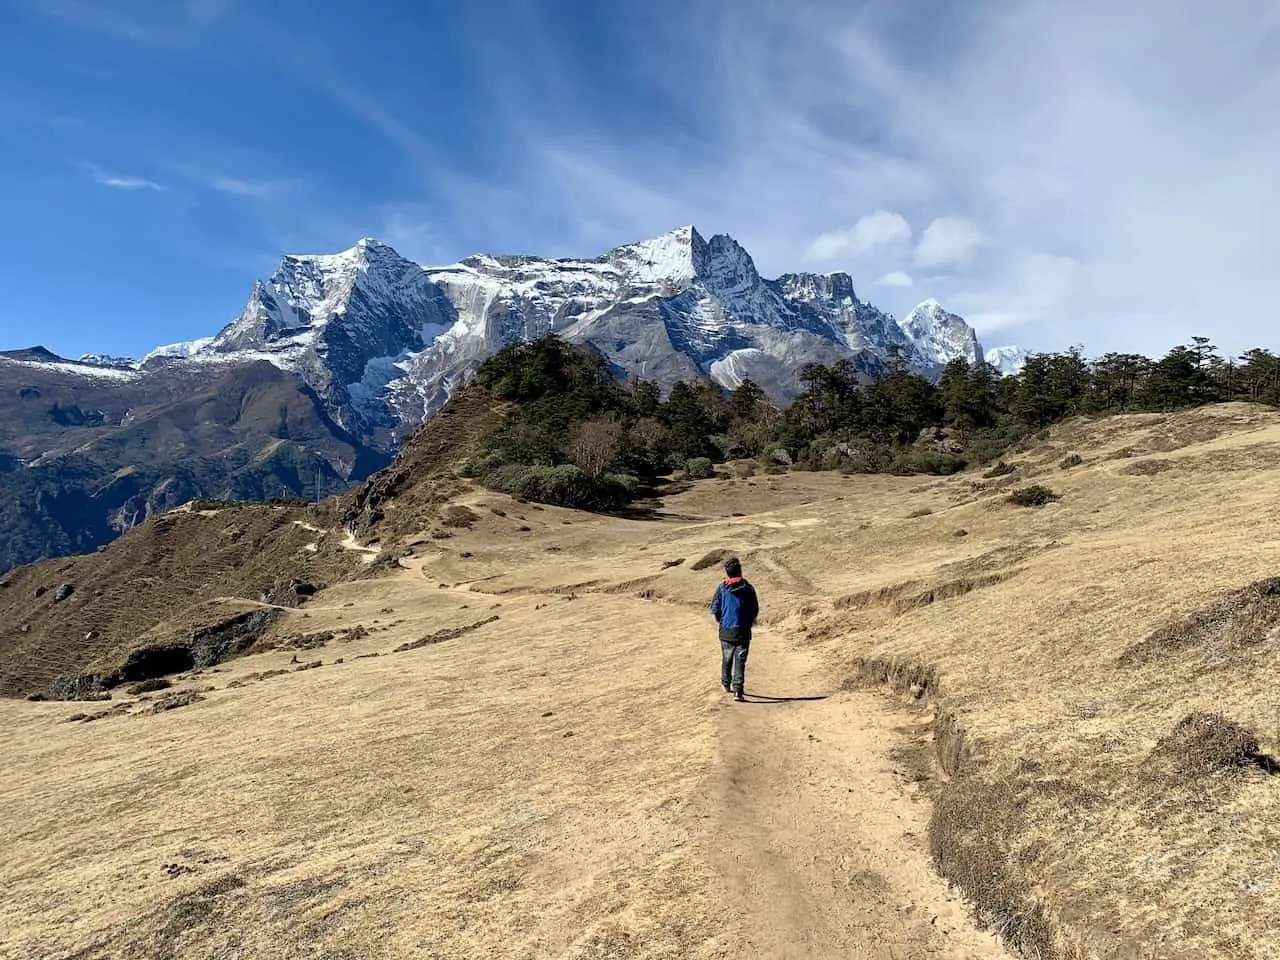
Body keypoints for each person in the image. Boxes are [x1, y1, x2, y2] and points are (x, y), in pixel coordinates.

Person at [710, 556, 758, 702]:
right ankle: (738, 690)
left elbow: (715, 607)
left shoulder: (722, 588)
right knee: (740, 660)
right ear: (740, 571)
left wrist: (721, 619)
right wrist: (749, 621)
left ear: (727, 572)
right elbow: (754, 608)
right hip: (743, 629)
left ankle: (726, 684)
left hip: (726, 629)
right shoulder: (748, 588)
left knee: (727, 658)